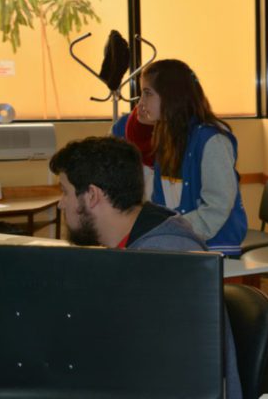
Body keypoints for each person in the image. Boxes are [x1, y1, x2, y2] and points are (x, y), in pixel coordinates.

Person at [49, 136, 242, 399]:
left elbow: (173, 375)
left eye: (65, 191)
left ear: (92, 195)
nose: (61, 203)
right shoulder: (135, 246)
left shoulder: (165, 259)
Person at [137, 59, 247, 256]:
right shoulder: (166, 137)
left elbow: (217, 207)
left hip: (213, 248)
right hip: (179, 241)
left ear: (172, 95)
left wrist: (171, 232)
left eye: (147, 93)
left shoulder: (212, 140)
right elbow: (160, 203)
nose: (141, 102)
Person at [111, 106, 155, 199]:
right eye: (141, 94)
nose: (141, 103)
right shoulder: (123, 125)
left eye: (148, 94)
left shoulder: (179, 136)